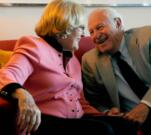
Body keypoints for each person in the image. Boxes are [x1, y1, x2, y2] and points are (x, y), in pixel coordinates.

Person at [0, 1, 117, 135]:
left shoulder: (72, 59)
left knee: (124, 124)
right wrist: (23, 95)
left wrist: (104, 115)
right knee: (102, 131)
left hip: (74, 121)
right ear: (65, 27)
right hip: (44, 122)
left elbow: (81, 102)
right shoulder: (34, 46)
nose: (84, 35)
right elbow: (6, 74)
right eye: (80, 27)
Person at [82, 8, 151, 135]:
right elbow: (94, 100)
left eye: (100, 27)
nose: (95, 36)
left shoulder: (146, 36)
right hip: (133, 119)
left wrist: (146, 106)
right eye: (91, 32)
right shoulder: (90, 60)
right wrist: (107, 112)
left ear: (117, 23)